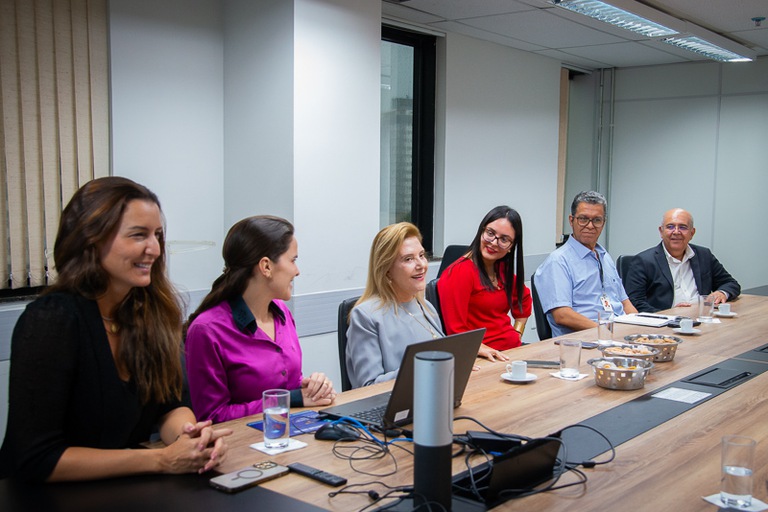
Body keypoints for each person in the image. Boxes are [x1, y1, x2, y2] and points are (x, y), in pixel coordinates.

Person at [0, 177, 230, 482]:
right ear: (91, 240)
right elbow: (35, 457)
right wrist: (160, 459)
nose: (154, 249)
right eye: (138, 235)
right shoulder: (52, 319)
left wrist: (189, 438)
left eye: (157, 235)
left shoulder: (152, 314)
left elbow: (171, 406)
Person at [185, 216, 336, 423]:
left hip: (292, 434)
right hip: (243, 448)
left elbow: (290, 384)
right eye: (293, 260)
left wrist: (311, 388)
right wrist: (290, 400)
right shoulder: (207, 330)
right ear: (266, 266)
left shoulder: (282, 315)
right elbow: (213, 417)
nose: (297, 271)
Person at [346, 222, 444, 388]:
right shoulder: (365, 315)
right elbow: (368, 387)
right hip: (392, 409)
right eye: (408, 259)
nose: (421, 265)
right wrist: (424, 367)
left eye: (421, 255)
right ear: (387, 269)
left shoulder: (426, 306)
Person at [534, 191, 637, 337]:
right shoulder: (558, 261)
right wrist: (606, 332)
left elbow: (625, 303)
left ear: (603, 223)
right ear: (571, 220)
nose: (590, 226)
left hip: (617, 335)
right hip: (584, 341)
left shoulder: (605, 256)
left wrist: (639, 328)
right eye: (583, 219)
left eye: (597, 220)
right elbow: (562, 315)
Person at [438, 206, 532, 360]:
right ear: (481, 231)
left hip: (511, 352)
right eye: (490, 233)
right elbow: (455, 332)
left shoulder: (501, 268)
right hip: (483, 358)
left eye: (504, 239)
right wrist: (482, 349)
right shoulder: (460, 272)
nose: (494, 243)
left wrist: (517, 333)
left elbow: (524, 299)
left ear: (511, 246)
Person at [624, 208, 741, 313]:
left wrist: (722, 292)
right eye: (670, 227)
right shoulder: (643, 261)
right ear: (661, 231)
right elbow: (635, 303)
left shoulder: (704, 255)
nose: (676, 232)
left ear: (692, 233)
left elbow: (731, 284)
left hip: (702, 318)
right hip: (665, 326)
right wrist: (671, 314)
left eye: (682, 227)